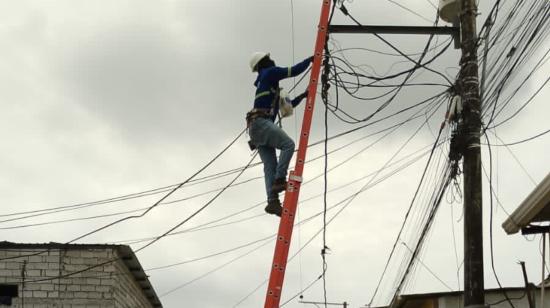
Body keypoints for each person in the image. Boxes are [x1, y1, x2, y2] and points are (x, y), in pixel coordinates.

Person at [246, 52, 313, 217]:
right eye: (269, 59)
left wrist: (302, 97)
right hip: (261, 123)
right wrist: (311, 60)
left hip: (256, 128)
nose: (272, 60)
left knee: (269, 166)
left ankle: (272, 202)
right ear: (264, 62)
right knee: (288, 145)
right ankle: (279, 179)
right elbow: (293, 70)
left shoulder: (269, 84)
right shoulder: (270, 72)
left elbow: (286, 108)